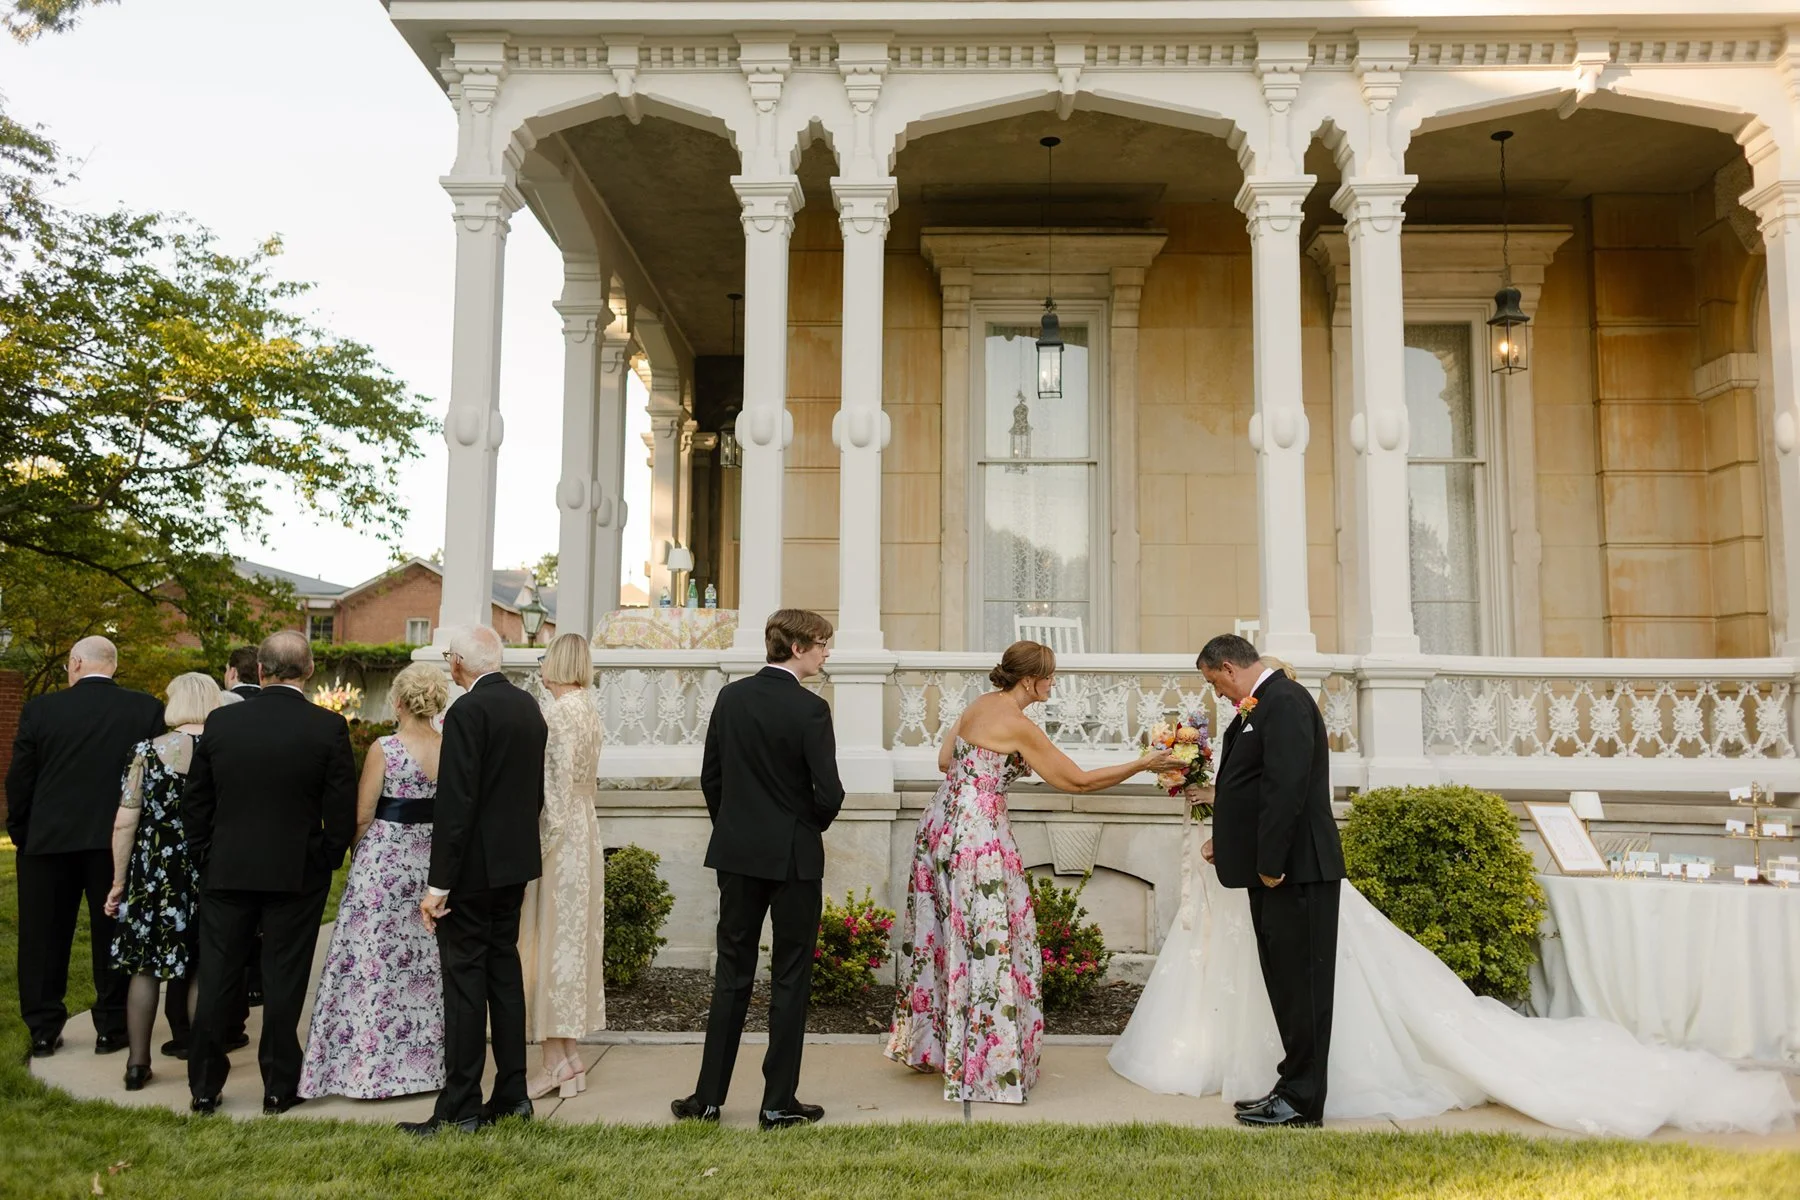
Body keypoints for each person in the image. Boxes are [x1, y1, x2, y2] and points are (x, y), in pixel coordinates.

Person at [1107, 636, 1797, 1138]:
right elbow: (1256, 790)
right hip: (1275, 869)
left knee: (1305, 985)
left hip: (1296, 872)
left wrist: (1267, 863)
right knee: (1288, 983)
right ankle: (1290, 1087)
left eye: (1216, 683)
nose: (1218, 695)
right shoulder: (1262, 705)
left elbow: (1289, 791)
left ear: (1228, 666)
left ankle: (1301, 1101)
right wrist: (1229, 839)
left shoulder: (1282, 703)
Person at [883, 641, 1172, 1105]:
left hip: (940, 826)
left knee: (946, 938)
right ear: (1029, 680)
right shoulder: (1017, 723)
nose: (1053, 684)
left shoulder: (981, 704)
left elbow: (945, 762)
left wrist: (999, 770)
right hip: (978, 836)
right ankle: (983, 1067)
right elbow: (1078, 781)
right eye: (1050, 676)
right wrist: (1144, 763)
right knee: (987, 939)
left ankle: (938, 1048)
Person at [672, 609, 845, 1129]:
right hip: (793, 858)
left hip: (738, 855)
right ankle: (776, 1103)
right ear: (797, 648)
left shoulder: (731, 697)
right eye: (821, 644)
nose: (826, 653)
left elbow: (712, 778)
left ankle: (706, 1100)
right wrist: (803, 824)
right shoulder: (811, 710)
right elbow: (830, 793)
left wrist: (736, 827)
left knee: (732, 974)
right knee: (791, 978)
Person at [185, 631, 357, 1115]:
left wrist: (205, 854)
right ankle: (279, 1086)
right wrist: (322, 858)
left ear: (260, 671)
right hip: (296, 874)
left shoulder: (221, 723)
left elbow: (196, 802)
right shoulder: (328, 728)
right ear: (308, 671)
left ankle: (203, 1086)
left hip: (227, 871)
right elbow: (339, 811)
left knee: (218, 977)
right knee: (284, 982)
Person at [401, 625, 547, 1137]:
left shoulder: (467, 712)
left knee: (464, 985)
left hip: (474, 871)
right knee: (504, 976)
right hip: (514, 865)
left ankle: (460, 1106)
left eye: (449, 657)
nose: (449, 665)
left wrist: (439, 884)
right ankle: (513, 1094)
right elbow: (534, 795)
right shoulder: (528, 706)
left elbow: (456, 802)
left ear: (460, 662)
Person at [7, 636, 164, 1059]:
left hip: (47, 842)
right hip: (113, 842)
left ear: (76, 663)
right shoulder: (145, 709)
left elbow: (21, 777)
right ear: (112, 665)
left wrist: (21, 830)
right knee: (112, 934)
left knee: (42, 937)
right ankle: (112, 1026)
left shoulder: (42, 709)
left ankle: (42, 1028)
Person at [299, 663, 449, 1100]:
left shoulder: (386, 747)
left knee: (372, 962)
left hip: (386, 864)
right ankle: (424, 1069)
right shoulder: (451, 746)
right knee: (423, 963)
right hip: (431, 862)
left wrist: (357, 853)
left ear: (399, 702)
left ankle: (368, 1068)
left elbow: (363, 812)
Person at [103, 672, 226, 1090]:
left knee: (144, 968)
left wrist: (119, 882)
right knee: (199, 968)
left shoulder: (147, 752)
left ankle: (137, 1063)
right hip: (208, 868)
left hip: (154, 873)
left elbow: (125, 821)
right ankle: (200, 1061)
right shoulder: (224, 749)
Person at [519, 632, 606, 1100]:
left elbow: (552, 791)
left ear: (554, 664)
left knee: (550, 941)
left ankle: (554, 1062)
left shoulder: (556, 715)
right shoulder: (588, 710)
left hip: (562, 836)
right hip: (586, 828)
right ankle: (569, 1055)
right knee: (571, 942)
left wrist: (539, 848)